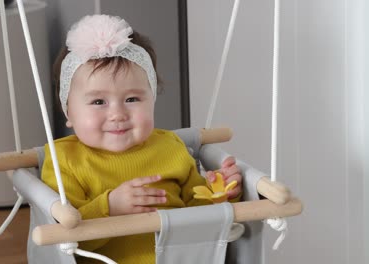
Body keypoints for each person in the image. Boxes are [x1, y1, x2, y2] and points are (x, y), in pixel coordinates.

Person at [42, 14, 242, 264]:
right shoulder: (64, 160)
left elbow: (197, 213)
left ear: (152, 100)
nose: (117, 114)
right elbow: (67, 242)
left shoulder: (171, 146)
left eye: (132, 99)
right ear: (68, 111)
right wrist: (109, 207)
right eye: (98, 102)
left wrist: (218, 194)